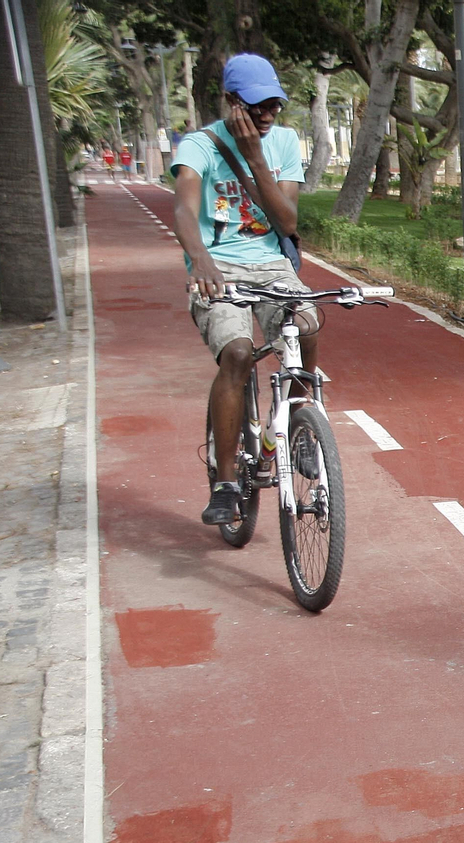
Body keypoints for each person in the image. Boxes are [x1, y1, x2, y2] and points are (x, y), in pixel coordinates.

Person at [170, 53, 318, 526]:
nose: (268, 114)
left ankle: (302, 429)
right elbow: (183, 210)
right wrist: (202, 260)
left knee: (306, 325)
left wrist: (256, 158)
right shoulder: (199, 145)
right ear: (231, 102)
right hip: (220, 267)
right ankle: (227, 480)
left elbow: (288, 221)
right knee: (236, 354)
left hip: (271, 264)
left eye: (275, 104)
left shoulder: (284, 142)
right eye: (257, 105)